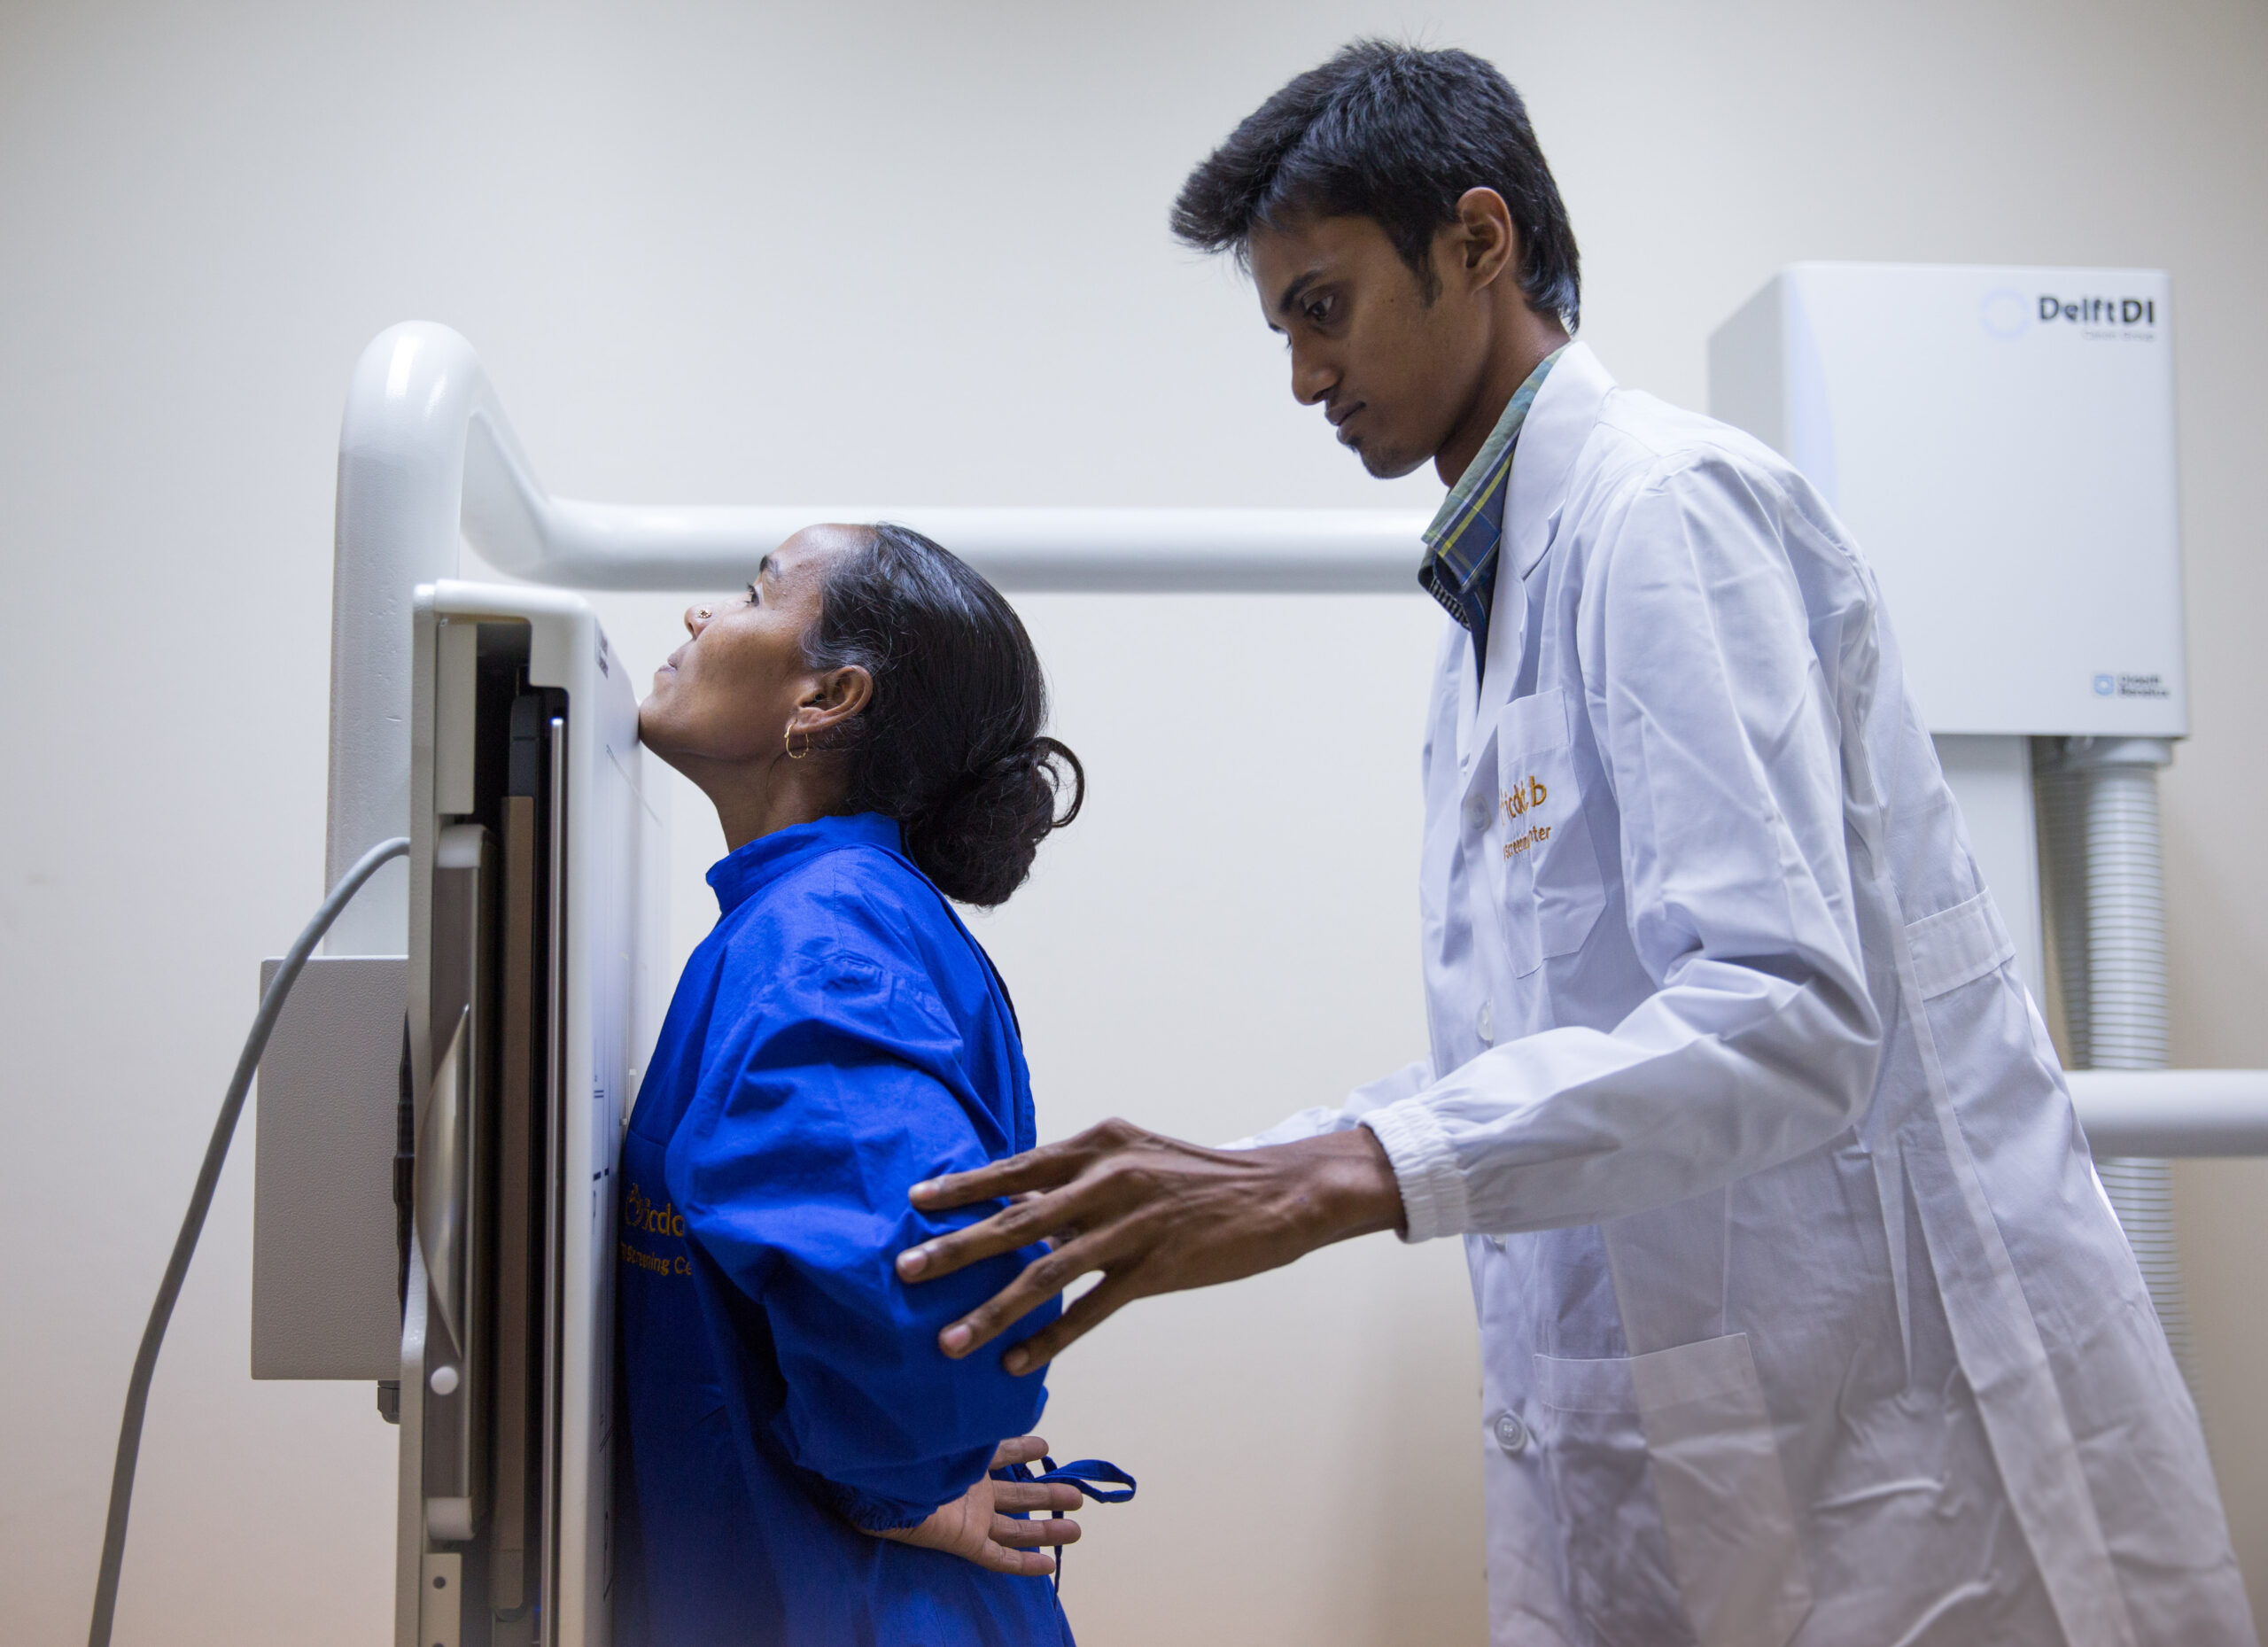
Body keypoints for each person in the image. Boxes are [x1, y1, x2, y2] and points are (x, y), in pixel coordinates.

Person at [890, 41, 2256, 1647]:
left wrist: (1333, 1174)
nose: (1303, 377)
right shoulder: (1495, 602)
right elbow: (1571, 1054)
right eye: (1283, 329)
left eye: (1321, 306)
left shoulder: (1662, 513)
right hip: (1718, 1459)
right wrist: (1261, 1159)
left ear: (1478, 242)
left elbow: (1792, 1015)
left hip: (1905, 1473)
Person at [616, 522, 1124, 1646]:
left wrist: (912, 1490)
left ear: (828, 698)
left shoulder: (819, 938)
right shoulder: (817, 916)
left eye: (751, 595)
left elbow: (923, 1296)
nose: (701, 617)